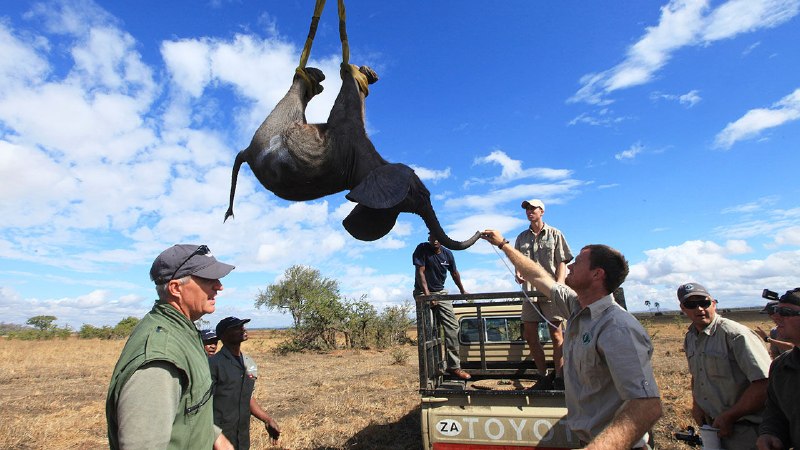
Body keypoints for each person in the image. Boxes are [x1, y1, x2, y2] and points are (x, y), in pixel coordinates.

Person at [481, 230, 661, 448]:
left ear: (597, 274)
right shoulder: (576, 307)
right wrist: (503, 245)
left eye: (578, 262)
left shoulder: (617, 327)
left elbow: (647, 405)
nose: (570, 266)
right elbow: (537, 276)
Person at [106, 244, 235, 450]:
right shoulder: (159, 360)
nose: (219, 286)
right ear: (176, 288)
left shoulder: (183, 331)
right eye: (208, 279)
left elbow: (186, 407)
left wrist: (214, 435)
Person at [677, 282, 772, 450]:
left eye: (704, 303)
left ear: (713, 303)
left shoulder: (736, 335)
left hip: (747, 431)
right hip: (714, 429)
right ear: (683, 308)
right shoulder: (691, 337)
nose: (699, 309)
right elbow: (697, 375)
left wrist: (730, 416)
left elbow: (764, 384)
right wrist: (697, 405)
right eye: (691, 304)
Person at [514, 199, 573, 388]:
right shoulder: (521, 237)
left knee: (557, 336)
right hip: (529, 293)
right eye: (527, 209)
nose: (529, 211)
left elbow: (563, 261)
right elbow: (517, 261)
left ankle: (561, 377)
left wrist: (560, 284)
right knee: (531, 336)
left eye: (533, 208)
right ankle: (543, 376)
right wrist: (518, 272)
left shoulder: (556, 234)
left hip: (551, 292)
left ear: (542, 211)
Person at [209, 316, 281, 449]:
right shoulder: (214, 364)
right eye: (236, 327)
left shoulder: (248, 363)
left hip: (242, 436)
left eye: (243, 326)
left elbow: (247, 397)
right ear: (223, 335)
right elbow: (203, 406)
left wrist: (267, 419)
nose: (243, 329)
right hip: (219, 436)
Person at [413, 233, 471, 380]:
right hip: (423, 292)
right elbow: (420, 273)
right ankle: (431, 369)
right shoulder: (422, 249)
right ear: (429, 238)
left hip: (441, 292)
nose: (435, 240)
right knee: (429, 329)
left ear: (443, 240)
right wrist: (428, 295)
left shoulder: (448, 254)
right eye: (433, 237)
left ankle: (454, 367)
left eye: (438, 238)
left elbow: (454, 273)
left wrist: (462, 290)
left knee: (452, 328)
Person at [757, 288, 800, 450]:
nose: (775, 317)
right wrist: (770, 433)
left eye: (785, 312)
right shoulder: (781, 366)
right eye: (776, 311)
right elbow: (776, 412)